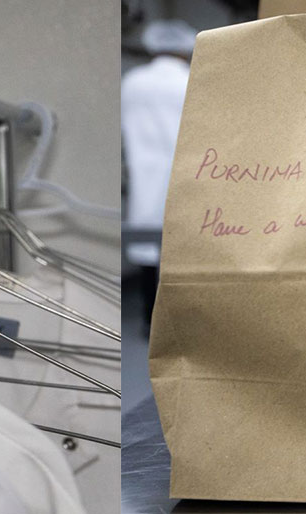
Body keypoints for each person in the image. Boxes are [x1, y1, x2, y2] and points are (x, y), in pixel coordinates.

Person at [122, 19, 194, 325]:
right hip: (189, 174)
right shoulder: (191, 79)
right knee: (186, 251)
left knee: (151, 250)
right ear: (185, 48)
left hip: (145, 172)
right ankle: (181, 323)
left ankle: (151, 321)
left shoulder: (133, 81)